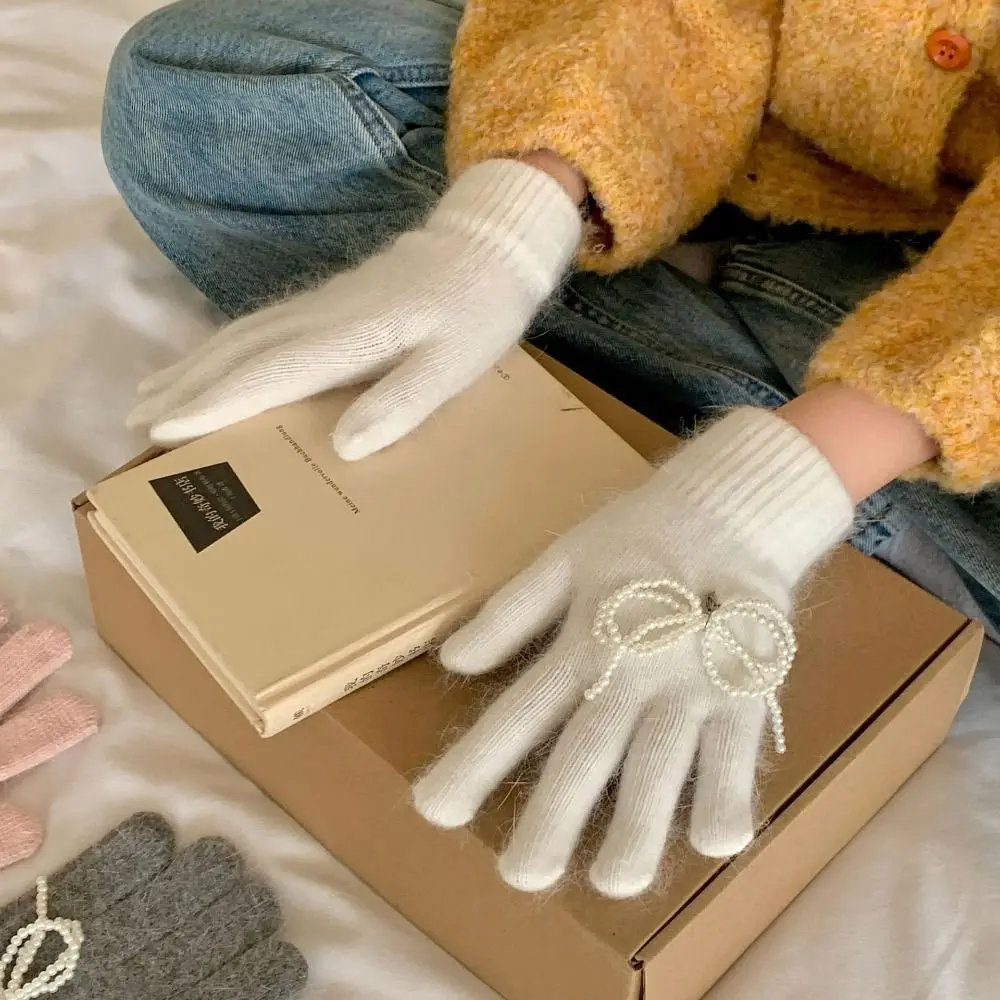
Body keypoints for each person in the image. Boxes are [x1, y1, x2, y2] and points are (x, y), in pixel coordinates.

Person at [100, 0, 1000, 899]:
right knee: (199, 90)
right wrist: (507, 220)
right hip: (726, 129)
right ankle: (822, 474)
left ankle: (818, 456)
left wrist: (795, 475)